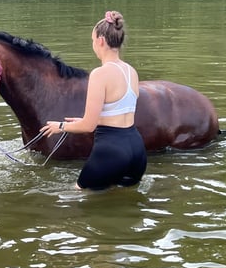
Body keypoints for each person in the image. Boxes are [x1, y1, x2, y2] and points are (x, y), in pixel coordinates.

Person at [41, 10, 147, 190]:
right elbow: (118, 114)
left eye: (92, 41)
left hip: (111, 151)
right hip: (137, 150)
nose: (93, 45)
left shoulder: (100, 74)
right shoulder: (131, 71)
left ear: (101, 41)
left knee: (75, 197)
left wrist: (60, 126)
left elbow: (88, 127)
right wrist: (83, 120)